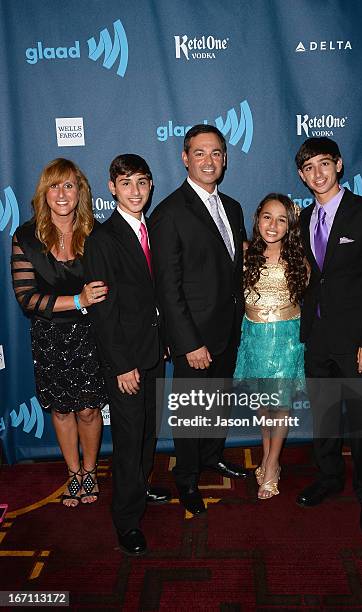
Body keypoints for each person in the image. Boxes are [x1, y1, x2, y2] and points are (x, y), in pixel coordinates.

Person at [295, 137, 362, 534]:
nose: (317, 174)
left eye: (324, 164)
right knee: (323, 417)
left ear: (339, 164)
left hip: (359, 344)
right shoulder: (303, 220)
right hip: (316, 339)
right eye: (308, 168)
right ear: (301, 176)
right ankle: (329, 477)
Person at [149, 124, 249, 517]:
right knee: (192, 410)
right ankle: (187, 478)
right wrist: (188, 341)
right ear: (185, 158)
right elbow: (167, 289)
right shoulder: (170, 213)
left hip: (229, 329)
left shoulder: (235, 207)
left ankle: (212, 456)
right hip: (195, 337)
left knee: (218, 402)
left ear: (225, 159)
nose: (210, 161)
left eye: (217, 153)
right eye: (201, 153)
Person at [83, 154, 170, 557]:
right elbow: (103, 311)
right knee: (130, 436)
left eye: (142, 182)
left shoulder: (151, 229)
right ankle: (126, 520)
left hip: (153, 351)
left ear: (150, 186)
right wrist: (122, 365)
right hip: (127, 361)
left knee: (149, 430)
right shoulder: (103, 239)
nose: (135, 191)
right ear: (112, 188)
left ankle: (142, 484)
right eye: (126, 183)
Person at [11, 158, 108, 508]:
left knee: (88, 410)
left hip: (90, 336)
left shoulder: (97, 233)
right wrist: (77, 299)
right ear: (44, 193)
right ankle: (73, 474)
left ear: (80, 191)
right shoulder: (25, 237)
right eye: (55, 185)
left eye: (69, 185)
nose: (62, 193)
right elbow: (26, 299)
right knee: (63, 411)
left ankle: (90, 470)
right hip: (49, 337)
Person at [234, 194, 308, 499]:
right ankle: (266, 456)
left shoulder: (299, 259)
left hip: (287, 339)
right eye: (267, 216)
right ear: (257, 219)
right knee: (263, 406)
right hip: (254, 337)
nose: (273, 225)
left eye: (281, 219)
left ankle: (273, 463)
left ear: (290, 225)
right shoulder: (244, 253)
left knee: (281, 406)